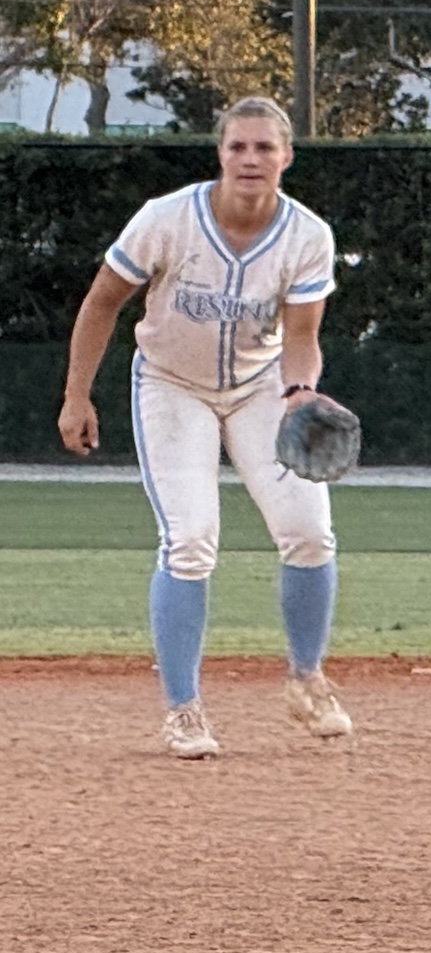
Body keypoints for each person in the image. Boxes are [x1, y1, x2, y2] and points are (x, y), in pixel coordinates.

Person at [57, 96, 353, 760]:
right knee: (190, 538)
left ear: (287, 156)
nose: (250, 159)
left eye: (264, 147)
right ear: (219, 153)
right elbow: (102, 300)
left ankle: (308, 678)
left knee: (309, 530)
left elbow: (302, 337)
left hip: (260, 388)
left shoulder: (308, 235)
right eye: (238, 147)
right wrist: (77, 395)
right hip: (171, 385)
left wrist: (300, 392)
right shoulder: (167, 220)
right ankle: (183, 709)